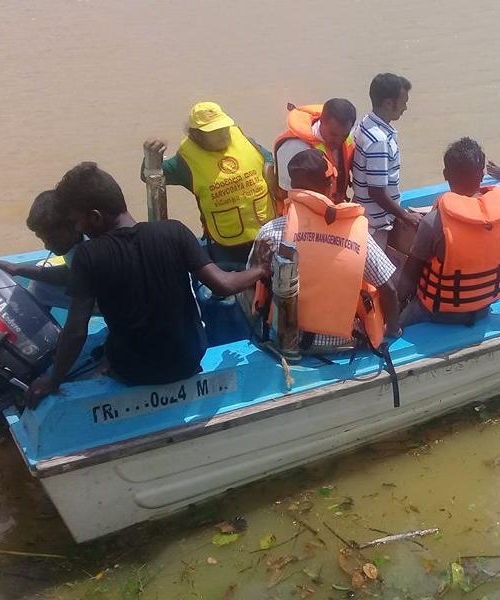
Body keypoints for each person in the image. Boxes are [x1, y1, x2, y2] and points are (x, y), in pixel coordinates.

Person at [26, 162, 270, 406]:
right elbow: (224, 285)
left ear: (95, 217)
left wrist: (53, 380)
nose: (78, 228)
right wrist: (260, 269)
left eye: (77, 221)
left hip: (133, 370)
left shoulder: (88, 256)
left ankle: (106, 363)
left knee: (102, 349)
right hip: (187, 360)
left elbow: (77, 330)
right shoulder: (175, 231)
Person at [252, 149, 400, 350]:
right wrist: (392, 330)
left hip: (287, 340)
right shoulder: (357, 232)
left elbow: (254, 287)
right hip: (342, 344)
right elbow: (389, 289)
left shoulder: (270, 232)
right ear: (330, 186)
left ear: (293, 186)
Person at [398, 138, 500, 326]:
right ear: (482, 173)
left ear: (446, 174)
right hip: (482, 309)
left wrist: (394, 314)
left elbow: (407, 280)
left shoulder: (433, 222)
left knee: (397, 314)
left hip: (436, 312)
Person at [142, 101, 277, 267]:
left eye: (224, 127)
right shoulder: (185, 163)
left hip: (266, 234)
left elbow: (269, 160)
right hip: (226, 245)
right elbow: (150, 176)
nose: (223, 134)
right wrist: (151, 156)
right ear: (197, 135)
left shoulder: (246, 142)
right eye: (214, 131)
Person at [352, 73, 419, 248]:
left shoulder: (365, 123)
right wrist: (405, 216)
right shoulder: (379, 141)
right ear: (389, 103)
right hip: (376, 225)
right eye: (403, 101)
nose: (405, 107)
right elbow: (376, 191)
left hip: (367, 215)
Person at [0, 189, 82, 286]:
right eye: (43, 239)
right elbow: (73, 272)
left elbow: (77, 277)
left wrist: (19, 270)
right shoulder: (70, 241)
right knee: (39, 280)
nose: (47, 246)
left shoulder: (94, 252)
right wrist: (17, 269)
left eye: (53, 239)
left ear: (76, 225)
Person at [274, 99, 356, 203]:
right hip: (304, 211)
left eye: (344, 135)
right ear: (321, 121)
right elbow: (286, 192)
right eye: (333, 134)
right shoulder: (294, 148)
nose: (339, 140)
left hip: (335, 207)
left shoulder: (347, 138)